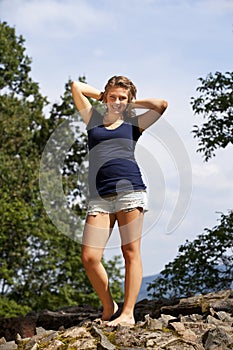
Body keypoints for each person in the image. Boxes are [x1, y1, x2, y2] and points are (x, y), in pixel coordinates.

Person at [71, 76, 168, 326]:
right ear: (105, 97)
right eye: (112, 97)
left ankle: (127, 314)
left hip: (131, 192)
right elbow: (76, 87)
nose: (116, 101)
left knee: (130, 252)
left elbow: (161, 104)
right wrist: (103, 96)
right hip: (100, 197)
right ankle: (109, 306)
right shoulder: (93, 121)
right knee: (90, 257)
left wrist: (132, 102)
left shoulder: (134, 124)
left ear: (128, 100)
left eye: (122, 98)